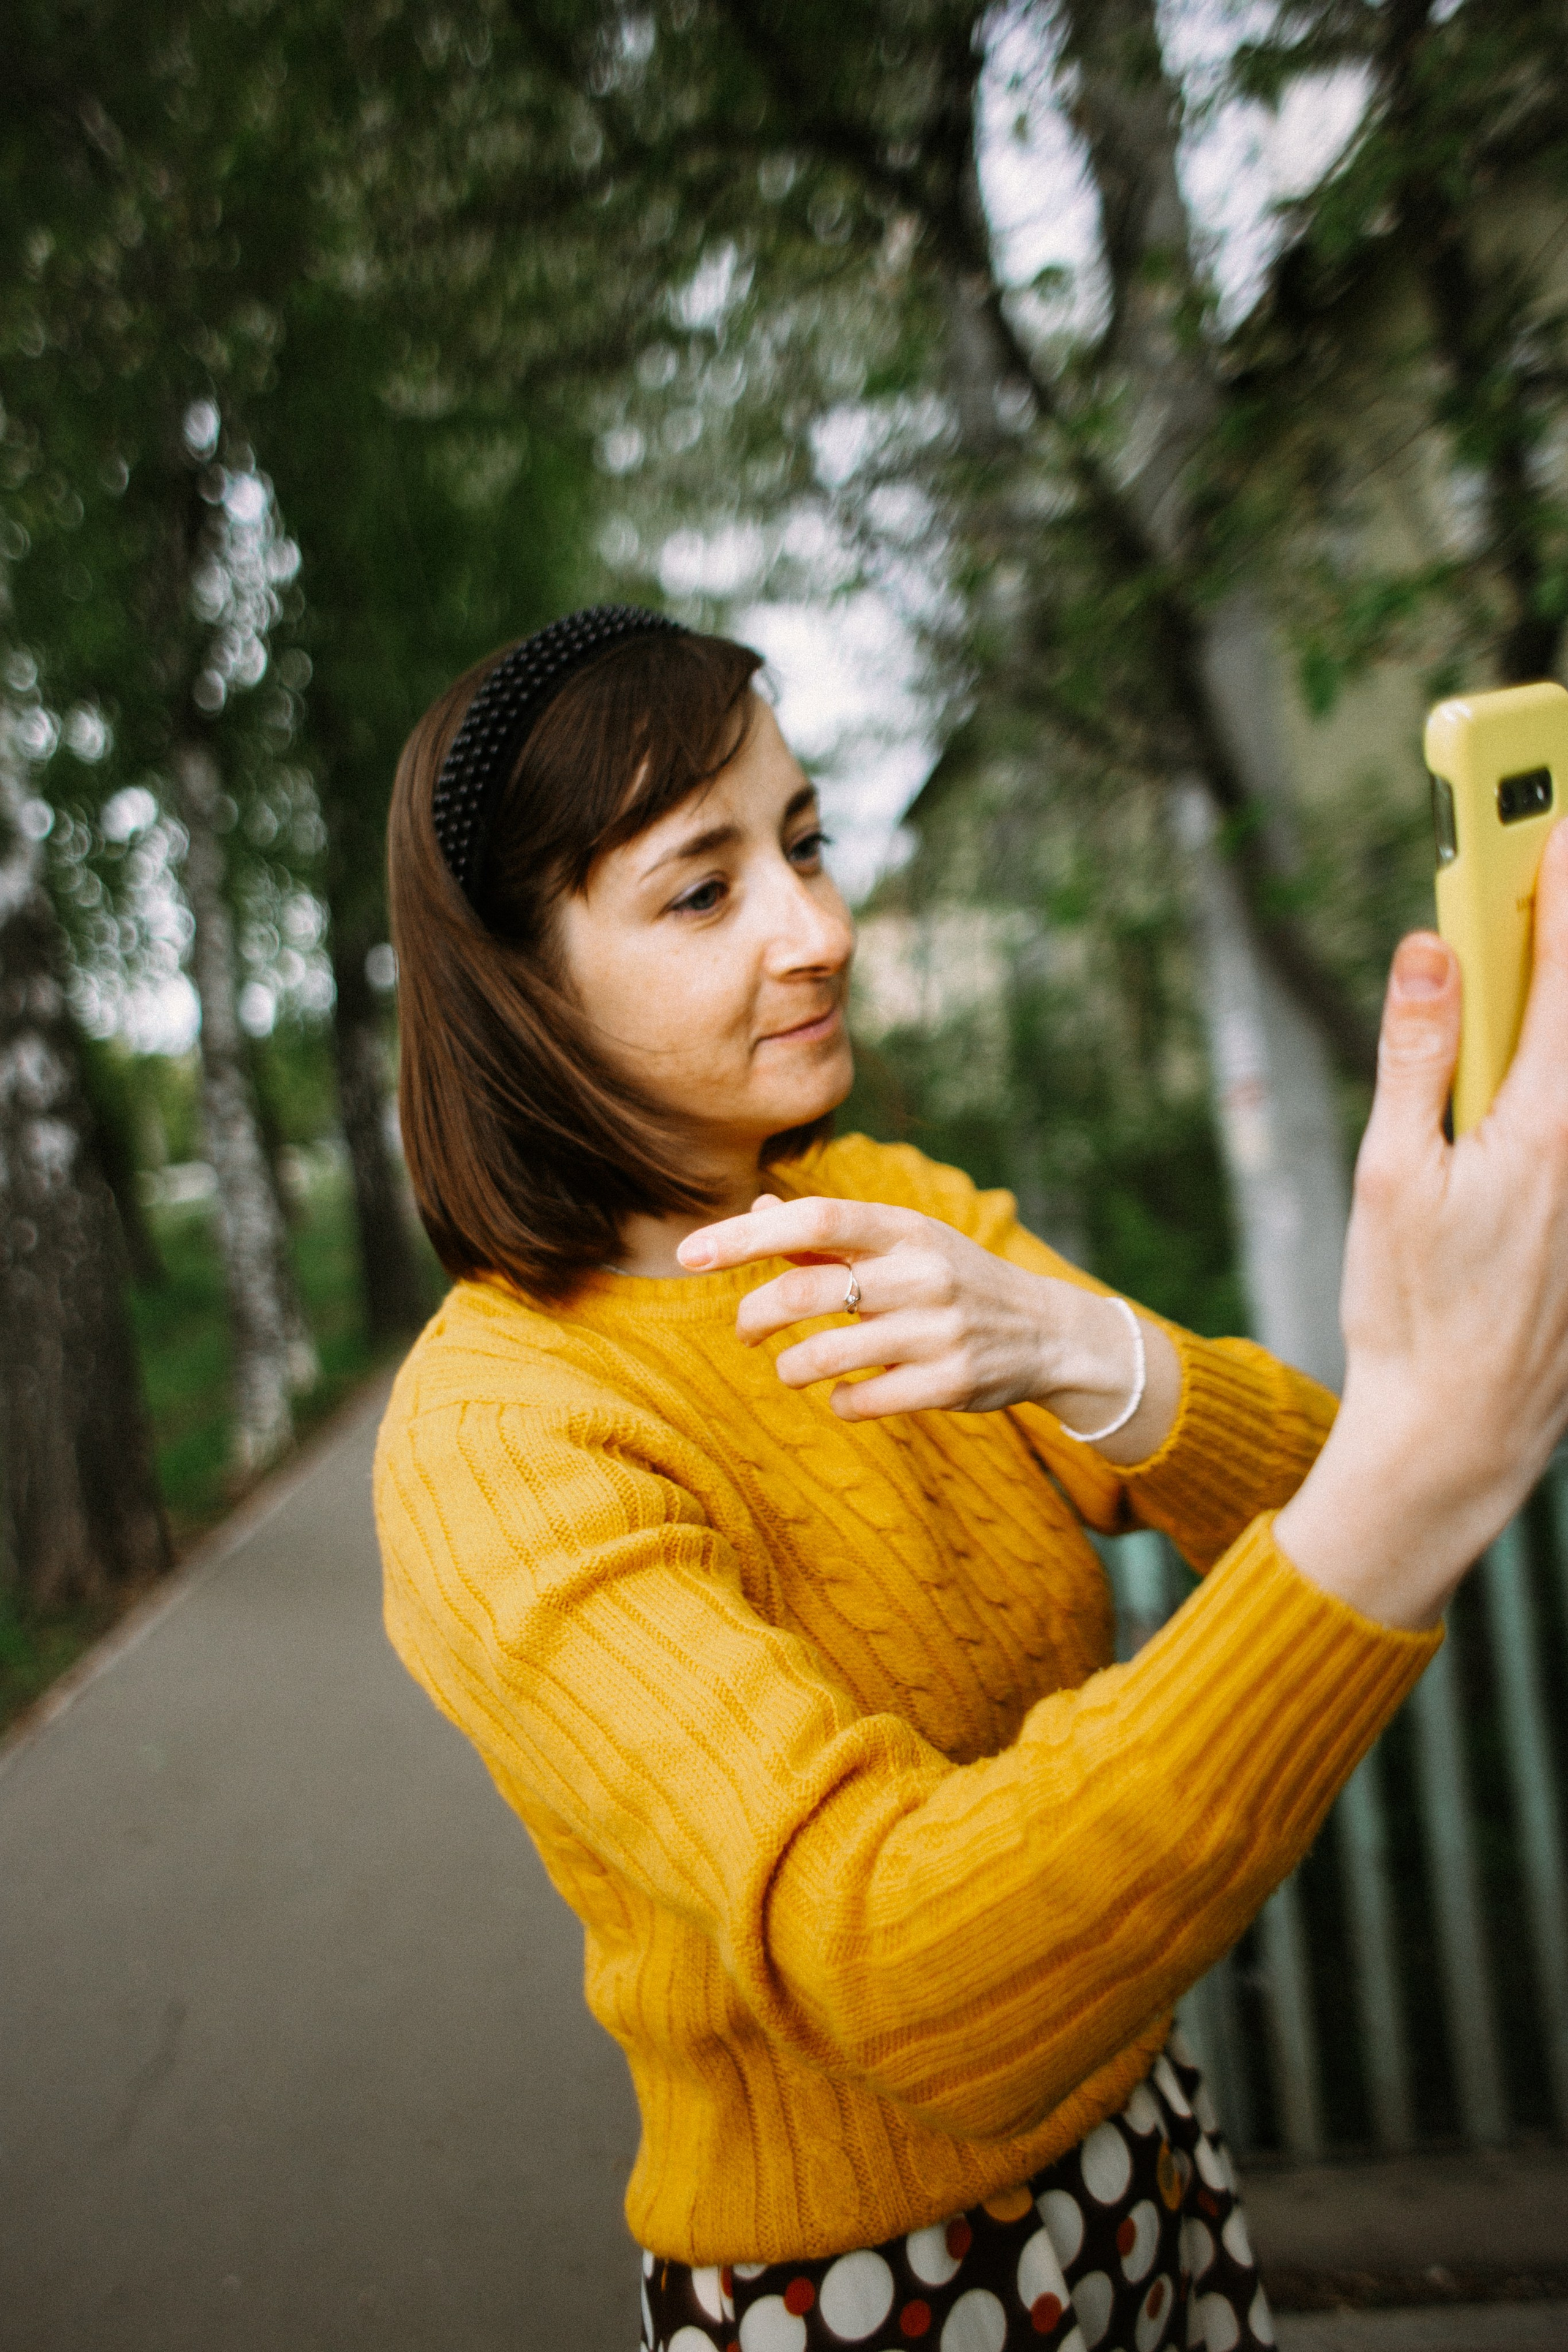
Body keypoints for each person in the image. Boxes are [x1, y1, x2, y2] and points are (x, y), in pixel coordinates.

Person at [375, 606, 1568, 2352]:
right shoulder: (502, 1435)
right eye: (703, 891)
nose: (822, 932)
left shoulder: (891, 1204)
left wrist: (1101, 1361)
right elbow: (910, 1969)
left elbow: (1333, 1505)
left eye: (806, 845)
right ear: (519, 985)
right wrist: (1421, 1453)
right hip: (863, 2289)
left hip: (1148, 2162)